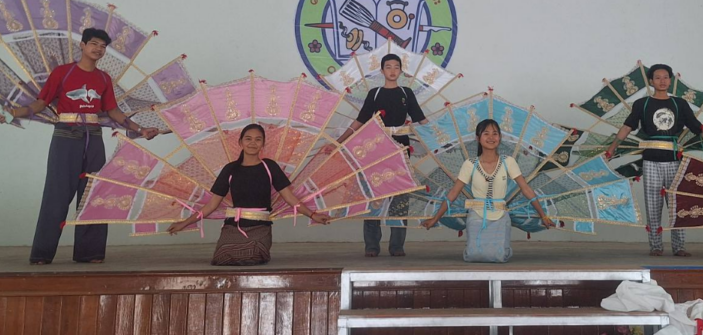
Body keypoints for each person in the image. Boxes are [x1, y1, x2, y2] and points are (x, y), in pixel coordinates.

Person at [4, 28, 159, 264]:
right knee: (56, 194)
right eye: (94, 44)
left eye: (103, 46)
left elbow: (113, 111)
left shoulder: (104, 78)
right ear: (83, 45)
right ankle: (42, 254)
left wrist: (141, 130)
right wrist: (14, 112)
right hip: (66, 137)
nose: (98, 49)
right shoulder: (63, 72)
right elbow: (41, 103)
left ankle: (90, 252)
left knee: (94, 194)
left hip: (94, 137)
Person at [606, 64, 703, 258]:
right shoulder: (642, 104)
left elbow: (697, 128)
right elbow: (627, 127)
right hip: (650, 161)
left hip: (674, 161)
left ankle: (679, 247)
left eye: (665, 77)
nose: (662, 81)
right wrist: (613, 147)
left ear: (670, 80)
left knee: (677, 204)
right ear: (651, 81)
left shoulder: (680, 104)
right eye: (658, 77)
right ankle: (656, 246)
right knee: (653, 205)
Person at [167, 124, 329, 265]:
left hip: (260, 227)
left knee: (252, 255)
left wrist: (313, 215)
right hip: (233, 227)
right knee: (222, 257)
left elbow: (290, 198)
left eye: (258, 139)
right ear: (240, 142)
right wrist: (184, 223)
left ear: (263, 144)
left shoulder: (270, 167)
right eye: (248, 139)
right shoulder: (230, 169)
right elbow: (211, 205)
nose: (253, 143)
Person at [421, 119, 554, 263]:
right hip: (476, 216)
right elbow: (453, 193)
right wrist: (435, 218)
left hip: (500, 215)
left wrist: (543, 215)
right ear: (478, 138)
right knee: (473, 255)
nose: (491, 137)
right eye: (486, 133)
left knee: (500, 256)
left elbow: (526, 189)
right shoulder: (470, 164)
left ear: (500, 137)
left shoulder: (508, 162)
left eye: (495, 133)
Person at [338, 53, 428, 257]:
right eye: (388, 67)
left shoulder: (406, 93)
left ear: (401, 71)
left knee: (401, 194)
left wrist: (438, 137)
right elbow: (361, 119)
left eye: (396, 67)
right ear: (382, 71)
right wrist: (340, 140)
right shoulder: (375, 93)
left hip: (401, 149)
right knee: (374, 194)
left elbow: (420, 119)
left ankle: (397, 245)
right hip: (377, 149)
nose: (392, 70)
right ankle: (371, 245)